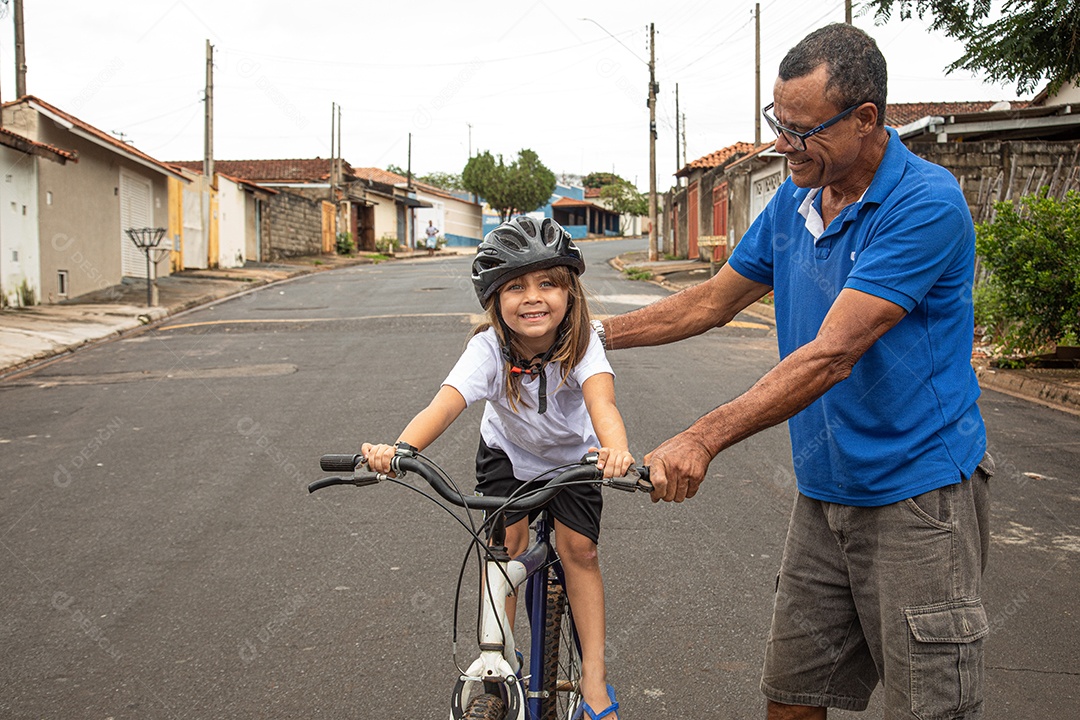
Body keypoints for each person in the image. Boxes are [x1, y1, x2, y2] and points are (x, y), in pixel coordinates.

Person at [598, 23, 992, 720]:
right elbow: (712, 301)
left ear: (866, 119)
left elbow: (832, 354)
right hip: (824, 495)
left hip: (918, 499)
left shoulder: (923, 203)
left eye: (802, 129)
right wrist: (587, 338)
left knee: (929, 709)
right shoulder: (794, 200)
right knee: (792, 699)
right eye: (778, 123)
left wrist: (702, 436)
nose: (784, 143)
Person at [363, 216, 633, 720]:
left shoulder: (583, 342)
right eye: (515, 287)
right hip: (507, 455)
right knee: (503, 550)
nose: (533, 297)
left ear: (570, 292)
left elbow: (604, 406)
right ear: (494, 300)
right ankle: (498, 661)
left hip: (574, 459)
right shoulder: (488, 347)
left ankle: (594, 676)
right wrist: (398, 449)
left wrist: (616, 451)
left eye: (547, 283)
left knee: (580, 551)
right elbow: (445, 404)